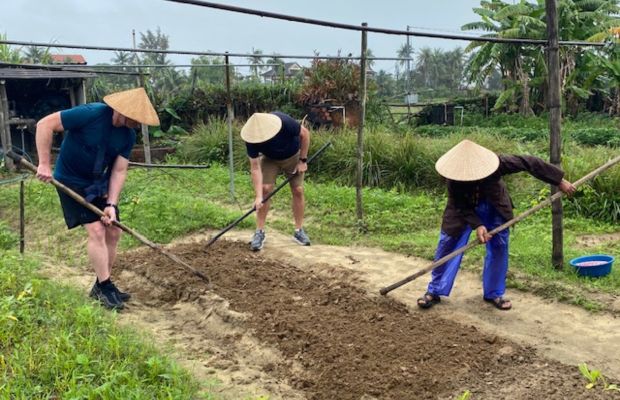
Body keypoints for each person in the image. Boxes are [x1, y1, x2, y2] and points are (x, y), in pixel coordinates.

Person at [35, 87, 160, 310]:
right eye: (136, 118)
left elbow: (119, 170)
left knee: (114, 229)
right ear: (122, 111)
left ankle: (101, 285)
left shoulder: (128, 135)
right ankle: (105, 286)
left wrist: (112, 204)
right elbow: (45, 124)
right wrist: (44, 164)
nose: (138, 124)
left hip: (96, 185)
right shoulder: (91, 113)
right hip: (69, 180)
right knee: (96, 230)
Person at [417, 139, 576, 311]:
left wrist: (558, 180)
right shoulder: (454, 178)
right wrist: (477, 225)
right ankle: (434, 290)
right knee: (447, 244)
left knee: (499, 246)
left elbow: (529, 162)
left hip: (493, 204)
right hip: (462, 209)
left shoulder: (497, 163)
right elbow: (460, 205)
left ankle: (494, 293)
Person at [240, 111, 311, 251]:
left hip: (293, 155)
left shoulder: (284, 122)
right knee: (265, 190)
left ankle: (299, 231)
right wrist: (258, 196)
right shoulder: (251, 140)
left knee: (298, 190)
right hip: (270, 159)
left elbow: (305, 134)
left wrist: (303, 160)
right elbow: (255, 167)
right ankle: (259, 232)